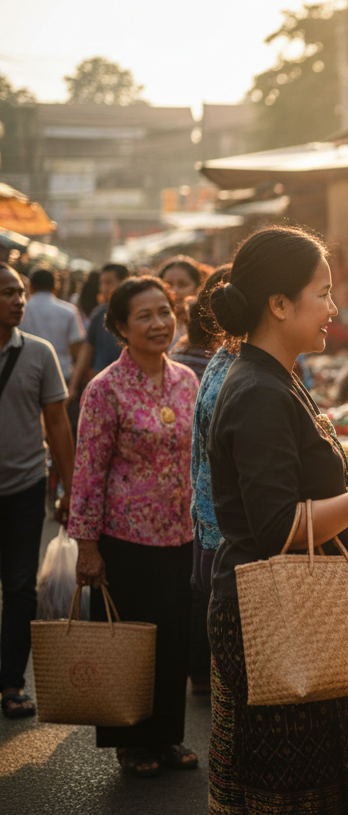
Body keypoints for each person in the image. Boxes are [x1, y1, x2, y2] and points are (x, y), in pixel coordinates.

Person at [207, 227, 348, 813]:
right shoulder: (258, 390)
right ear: (279, 304)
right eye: (324, 293)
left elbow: (297, 489)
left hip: (292, 607)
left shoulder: (276, 376)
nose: (334, 309)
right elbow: (279, 526)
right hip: (273, 615)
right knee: (292, 792)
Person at [70, 275, 199, 776]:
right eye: (144, 316)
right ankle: (131, 741)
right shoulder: (105, 389)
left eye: (164, 311)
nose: (159, 323)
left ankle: (167, 736)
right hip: (124, 539)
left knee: (172, 640)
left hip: (180, 535)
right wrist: (87, 546)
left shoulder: (186, 380)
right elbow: (88, 472)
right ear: (121, 327)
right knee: (129, 642)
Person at [0, 261, 75, 720]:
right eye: (7, 292)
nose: (18, 300)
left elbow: (58, 424)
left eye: (20, 292)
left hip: (25, 486)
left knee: (20, 585)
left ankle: (11, 682)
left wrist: (70, 489)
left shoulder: (39, 353)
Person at [183, 263, 233, 696]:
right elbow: (273, 509)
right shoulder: (240, 377)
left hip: (214, 538)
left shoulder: (226, 363)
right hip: (230, 549)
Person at [68, 262, 130, 403]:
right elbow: (86, 351)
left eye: (108, 282)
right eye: (102, 283)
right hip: (101, 385)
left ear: (125, 281)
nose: (103, 288)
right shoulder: (99, 314)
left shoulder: (134, 313)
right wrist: (73, 387)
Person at [19, 264, 85, 381]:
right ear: (55, 288)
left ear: (30, 287)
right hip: (61, 373)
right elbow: (77, 349)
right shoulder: (69, 311)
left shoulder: (20, 310)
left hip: (26, 372)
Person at [159, 256, 205, 349]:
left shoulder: (205, 325)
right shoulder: (155, 324)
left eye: (182, 285)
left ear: (197, 288)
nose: (174, 291)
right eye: (168, 285)